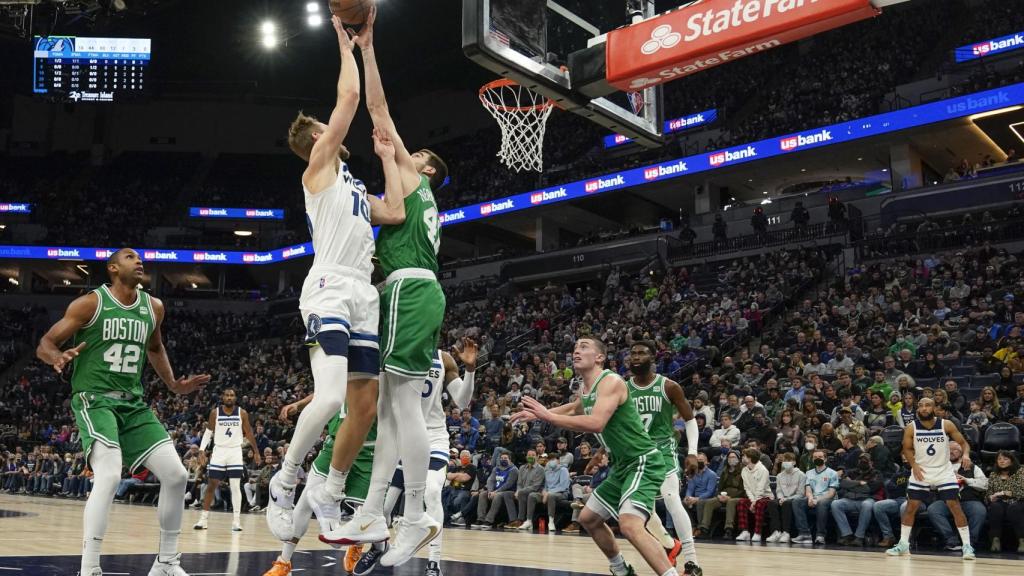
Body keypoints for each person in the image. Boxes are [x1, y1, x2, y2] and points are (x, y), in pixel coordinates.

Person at [322, 9, 451, 567]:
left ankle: (415, 513)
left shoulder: (415, 178)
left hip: (406, 292)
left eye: (412, 154)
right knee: (397, 412)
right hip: (421, 292)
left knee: (399, 409)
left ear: (424, 170)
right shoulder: (419, 202)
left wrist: (366, 48)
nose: (404, 150)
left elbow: (377, 108)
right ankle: (379, 509)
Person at [267, 14, 387, 546]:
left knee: (366, 403)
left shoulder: (352, 183)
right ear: (317, 137)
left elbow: (395, 211)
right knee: (332, 394)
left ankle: (330, 488)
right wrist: (349, 45)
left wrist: (393, 158)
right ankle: (285, 477)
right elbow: (350, 101)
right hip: (330, 287)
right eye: (326, 124)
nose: (334, 127)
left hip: (364, 290)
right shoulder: (317, 166)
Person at [36, 248, 209, 576]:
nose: (139, 260)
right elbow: (44, 342)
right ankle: (89, 568)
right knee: (111, 474)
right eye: (130, 257)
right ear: (113, 268)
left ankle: (167, 563)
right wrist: (55, 356)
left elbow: (155, 348)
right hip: (95, 399)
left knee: (176, 476)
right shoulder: (90, 303)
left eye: (140, 257)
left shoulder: (154, 307)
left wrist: (173, 384)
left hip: (133, 404)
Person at [512, 338, 694, 576]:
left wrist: (548, 416)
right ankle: (621, 570)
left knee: (629, 524)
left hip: (642, 461)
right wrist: (537, 415)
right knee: (589, 518)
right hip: (622, 466)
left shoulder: (610, 381)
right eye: (575, 347)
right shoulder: (586, 388)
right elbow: (576, 407)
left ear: (599, 357)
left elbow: (596, 423)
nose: (577, 350)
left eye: (584, 347)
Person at [350, 341, 478, 576]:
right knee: (384, 506)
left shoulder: (444, 358)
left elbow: (461, 400)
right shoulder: (396, 352)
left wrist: (470, 370)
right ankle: (378, 547)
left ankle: (434, 563)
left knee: (430, 492)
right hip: (402, 439)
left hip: (434, 438)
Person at [262, 396, 376, 576]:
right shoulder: (342, 369)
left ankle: (357, 544)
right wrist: (299, 404)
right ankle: (284, 562)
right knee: (304, 503)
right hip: (334, 444)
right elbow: (326, 389)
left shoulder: (382, 370)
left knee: (364, 513)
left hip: (368, 449)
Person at [626, 341, 700, 569]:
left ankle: (692, 561)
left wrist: (693, 452)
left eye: (642, 353)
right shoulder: (623, 388)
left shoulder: (669, 386)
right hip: (635, 453)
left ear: (653, 358)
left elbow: (689, 419)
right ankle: (669, 544)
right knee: (638, 507)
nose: (636, 356)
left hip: (662, 450)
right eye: (633, 353)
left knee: (670, 498)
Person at [886, 398, 975, 560]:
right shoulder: (911, 427)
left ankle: (967, 546)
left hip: (943, 470)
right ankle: (903, 544)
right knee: (911, 507)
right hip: (921, 471)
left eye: (927, 405)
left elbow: (963, 443)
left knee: (954, 505)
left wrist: (966, 455)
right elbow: (906, 449)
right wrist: (914, 465)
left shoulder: (946, 424)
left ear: (934, 408)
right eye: (920, 405)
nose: (923, 408)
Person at [194, 388, 260, 532]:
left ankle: (236, 521)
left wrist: (256, 451)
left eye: (232, 395)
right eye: (227, 395)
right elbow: (208, 432)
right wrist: (201, 450)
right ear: (222, 397)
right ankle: (203, 519)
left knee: (235, 486)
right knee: (211, 484)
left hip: (235, 451)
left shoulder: (242, 413)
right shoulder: (215, 413)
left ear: (235, 398)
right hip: (219, 451)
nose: (229, 397)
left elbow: (249, 432)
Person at [926, 442, 987, 552]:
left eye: (955, 450)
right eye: (948, 450)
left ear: (961, 453)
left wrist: (966, 480)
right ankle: (951, 540)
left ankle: (970, 542)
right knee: (933, 509)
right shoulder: (941, 467)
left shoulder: (972, 467)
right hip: (946, 501)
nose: (951, 452)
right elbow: (931, 486)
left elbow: (984, 485)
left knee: (979, 510)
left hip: (968, 500)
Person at [792, 449, 839, 545]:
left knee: (821, 503)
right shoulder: (809, 473)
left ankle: (820, 535)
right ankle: (804, 534)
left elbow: (831, 493)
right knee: (797, 501)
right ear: (812, 459)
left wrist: (816, 500)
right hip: (813, 497)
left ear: (825, 459)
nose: (818, 459)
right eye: (815, 457)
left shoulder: (832, 473)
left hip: (827, 499)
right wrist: (810, 498)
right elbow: (808, 489)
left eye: (820, 457)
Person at [735, 448, 777, 543]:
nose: (743, 458)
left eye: (744, 456)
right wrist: (752, 500)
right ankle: (745, 531)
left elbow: (760, 489)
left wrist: (754, 502)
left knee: (759, 504)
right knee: (741, 502)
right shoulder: (744, 470)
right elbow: (747, 488)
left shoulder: (763, 470)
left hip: (765, 497)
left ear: (750, 458)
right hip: (753, 497)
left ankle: (758, 533)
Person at [986, 450, 1024, 553]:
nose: (1002, 461)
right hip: (1000, 502)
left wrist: (1004, 492)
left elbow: (1022, 491)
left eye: (1005, 459)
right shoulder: (993, 474)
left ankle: (1022, 541)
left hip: (1019, 500)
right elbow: (988, 493)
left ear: (1011, 461)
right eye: (999, 459)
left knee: (1014, 508)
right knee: (995, 507)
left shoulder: (1021, 471)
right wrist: (990, 498)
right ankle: (995, 540)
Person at [768, 452, 805, 543]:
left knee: (787, 503)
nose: (786, 462)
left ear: (794, 462)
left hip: (795, 498)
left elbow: (801, 493)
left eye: (789, 460)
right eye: (784, 460)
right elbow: (779, 490)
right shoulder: (780, 475)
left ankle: (786, 532)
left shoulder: (801, 475)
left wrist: (786, 499)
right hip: (783, 498)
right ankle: (776, 531)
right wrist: (780, 498)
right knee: (772, 503)